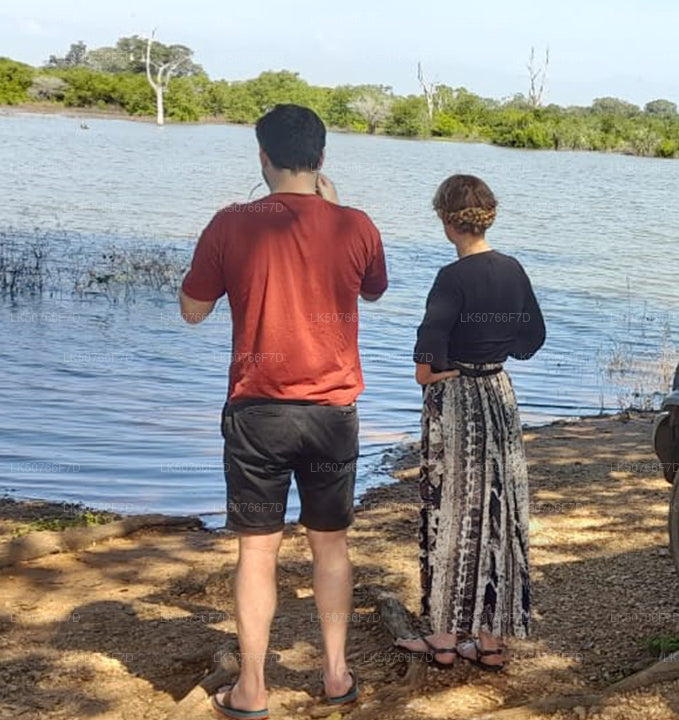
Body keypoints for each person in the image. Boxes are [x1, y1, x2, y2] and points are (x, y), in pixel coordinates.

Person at [179, 104, 387, 719]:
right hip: (330, 414)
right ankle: (335, 674)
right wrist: (338, 209)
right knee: (331, 547)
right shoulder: (357, 225)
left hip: (257, 414)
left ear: (262, 157)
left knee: (257, 552)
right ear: (321, 160)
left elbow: (192, 312)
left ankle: (251, 689)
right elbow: (372, 289)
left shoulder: (230, 223)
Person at [394, 174, 545, 671]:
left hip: (456, 402)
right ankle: (492, 641)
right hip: (500, 398)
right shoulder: (514, 270)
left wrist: (448, 368)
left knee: (450, 512)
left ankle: (441, 638)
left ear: (446, 220)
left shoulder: (450, 279)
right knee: (499, 515)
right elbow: (532, 339)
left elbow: (424, 368)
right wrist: (494, 352)